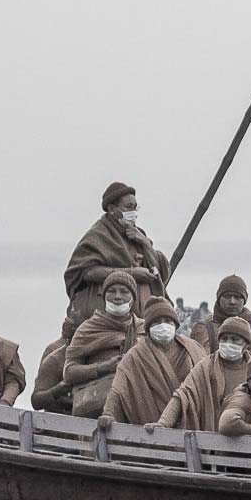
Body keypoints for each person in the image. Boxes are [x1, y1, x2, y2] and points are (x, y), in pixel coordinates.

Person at [63, 182, 168, 331]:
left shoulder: (137, 234)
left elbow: (159, 269)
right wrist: (132, 274)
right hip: (106, 315)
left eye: (135, 207)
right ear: (112, 210)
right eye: (128, 207)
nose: (133, 212)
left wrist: (145, 243)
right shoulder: (98, 235)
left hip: (141, 319)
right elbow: (87, 272)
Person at [101, 297, 205, 426]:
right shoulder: (135, 356)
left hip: (190, 428)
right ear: (148, 328)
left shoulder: (193, 350)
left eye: (167, 321)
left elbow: (208, 381)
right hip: (149, 430)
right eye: (156, 322)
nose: (163, 325)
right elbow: (118, 389)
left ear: (175, 324)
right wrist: (109, 413)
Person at [64, 271, 143, 417]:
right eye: (112, 291)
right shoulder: (87, 329)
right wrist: (106, 367)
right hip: (95, 410)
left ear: (133, 298)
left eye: (124, 292)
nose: (117, 296)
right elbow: (69, 372)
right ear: (104, 296)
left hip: (137, 409)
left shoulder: (143, 329)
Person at [156, 316, 251, 431]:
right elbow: (184, 393)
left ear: (246, 344)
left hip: (249, 436)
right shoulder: (206, 366)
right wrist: (163, 423)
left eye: (235, 339)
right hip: (213, 435)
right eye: (224, 339)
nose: (228, 343)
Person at [190, 275, 251, 355]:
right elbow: (198, 362)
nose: (232, 301)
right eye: (227, 296)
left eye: (237, 297)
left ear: (244, 300)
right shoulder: (204, 328)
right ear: (219, 299)